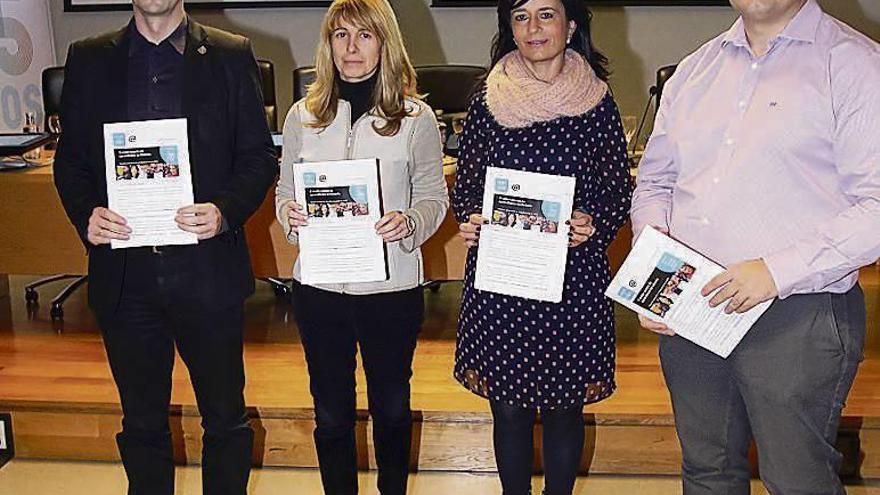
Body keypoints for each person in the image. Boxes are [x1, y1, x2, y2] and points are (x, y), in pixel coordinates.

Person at [630, 1, 880, 493]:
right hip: (693, 308)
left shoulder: (854, 64)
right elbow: (656, 182)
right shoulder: (694, 70)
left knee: (796, 479)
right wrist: (653, 274)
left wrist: (773, 271)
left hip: (797, 312)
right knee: (708, 472)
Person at [52, 0, 277, 493]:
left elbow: (259, 157)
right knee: (142, 425)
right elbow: (69, 162)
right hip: (126, 278)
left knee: (225, 421)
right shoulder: (89, 58)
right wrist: (86, 212)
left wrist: (224, 211)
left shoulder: (230, 54)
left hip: (208, 272)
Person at [451, 0, 632, 493]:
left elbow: (618, 186)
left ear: (572, 25)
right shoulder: (487, 97)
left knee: (563, 408)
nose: (533, 28)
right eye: (521, 16)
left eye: (546, 14)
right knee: (507, 410)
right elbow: (466, 184)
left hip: (572, 277)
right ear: (509, 28)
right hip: (503, 275)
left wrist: (594, 223)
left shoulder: (597, 100)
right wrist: (469, 217)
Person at [274, 0, 448, 493]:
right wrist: (290, 216)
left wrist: (410, 221)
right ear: (327, 43)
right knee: (330, 412)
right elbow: (285, 191)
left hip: (390, 289)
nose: (352, 47)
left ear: (385, 42)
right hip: (320, 289)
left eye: (365, 36)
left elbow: (435, 198)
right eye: (341, 35)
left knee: (391, 408)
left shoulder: (416, 118)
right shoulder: (302, 115)